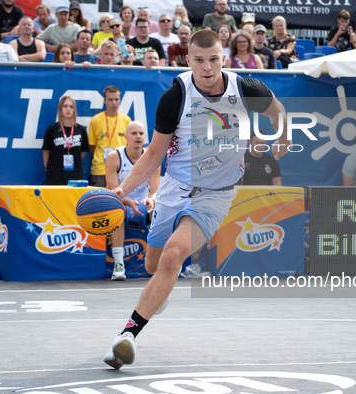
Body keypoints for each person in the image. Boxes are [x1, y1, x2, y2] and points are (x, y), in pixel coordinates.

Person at [102, 29, 290, 370]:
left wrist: (282, 138)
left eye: (214, 59)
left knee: (173, 258)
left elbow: (279, 112)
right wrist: (122, 190)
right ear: (187, 60)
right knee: (152, 266)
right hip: (175, 187)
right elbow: (154, 154)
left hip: (215, 197)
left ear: (225, 58)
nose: (207, 68)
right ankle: (161, 289)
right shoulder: (175, 96)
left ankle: (125, 336)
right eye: (200, 61)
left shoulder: (246, 88)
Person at [105, 121, 160, 281]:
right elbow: (114, 193)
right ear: (126, 137)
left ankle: (157, 264)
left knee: (159, 211)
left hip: (142, 206)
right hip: (123, 204)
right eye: (134, 133)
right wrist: (128, 202)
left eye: (141, 133)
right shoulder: (114, 157)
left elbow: (155, 191)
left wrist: (151, 200)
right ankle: (119, 265)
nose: (138, 137)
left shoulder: (153, 157)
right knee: (116, 210)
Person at [88, 86, 132, 187]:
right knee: (99, 201)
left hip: (121, 169)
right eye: (110, 100)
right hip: (100, 170)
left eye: (116, 99)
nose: (114, 102)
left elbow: (129, 145)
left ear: (120, 99)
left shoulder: (126, 120)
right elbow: (92, 146)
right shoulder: (96, 120)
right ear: (104, 101)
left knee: (118, 200)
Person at [42, 96, 89, 185]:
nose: (68, 109)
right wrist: (48, 167)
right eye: (65, 106)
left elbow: (82, 152)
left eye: (71, 107)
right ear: (60, 109)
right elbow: (46, 151)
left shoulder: (81, 130)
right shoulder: (51, 129)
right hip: (55, 176)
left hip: (75, 175)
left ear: (74, 110)